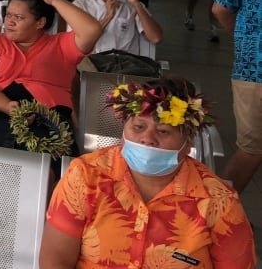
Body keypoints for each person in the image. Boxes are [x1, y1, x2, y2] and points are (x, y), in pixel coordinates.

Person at [40, 78, 255, 269]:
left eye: (163, 131)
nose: (147, 139)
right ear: (124, 131)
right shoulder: (86, 176)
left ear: (188, 142)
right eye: (139, 127)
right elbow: (55, 260)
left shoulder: (218, 202)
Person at [0, 0, 101, 150]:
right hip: (0, 118)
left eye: (19, 17)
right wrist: (9, 107)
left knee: (48, 169)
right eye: (8, 15)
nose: (10, 21)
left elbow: (92, 30)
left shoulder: (61, 45)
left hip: (50, 125)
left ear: (40, 22)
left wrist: (54, 0)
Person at [212, 0, 262, 194]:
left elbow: (220, 9)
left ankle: (214, 218)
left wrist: (245, 41)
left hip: (251, 70)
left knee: (250, 149)